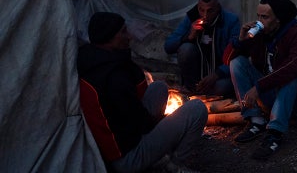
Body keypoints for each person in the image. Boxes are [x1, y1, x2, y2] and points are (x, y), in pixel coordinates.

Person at [78, 12, 207, 172]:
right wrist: (166, 127)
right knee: (197, 108)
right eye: (123, 32)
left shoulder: (91, 60)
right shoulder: (114, 77)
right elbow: (139, 120)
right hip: (127, 158)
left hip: (115, 146)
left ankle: (157, 155)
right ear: (109, 37)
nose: (129, 37)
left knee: (159, 87)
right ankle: (175, 165)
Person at [224, 0, 297, 160]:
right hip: (271, 95)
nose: (259, 20)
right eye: (258, 16)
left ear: (278, 20)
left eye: (265, 17)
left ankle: (275, 133)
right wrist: (240, 41)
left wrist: (259, 86)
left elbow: (296, 64)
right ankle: (256, 120)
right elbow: (226, 61)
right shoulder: (260, 34)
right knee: (237, 63)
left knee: (291, 74)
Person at [164, 0, 240, 97]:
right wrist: (188, 36)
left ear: (217, 8)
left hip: (219, 74)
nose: (205, 15)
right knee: (186, 48)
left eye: (210, 11)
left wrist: (216, 74)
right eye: (201, 10)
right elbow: (168, 46)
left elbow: (236, 55)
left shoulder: (231, 21)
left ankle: (200, 92)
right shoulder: (191, 18)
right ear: (198, 7)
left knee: (222, 87)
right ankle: (193, 88)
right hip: (197, 74)